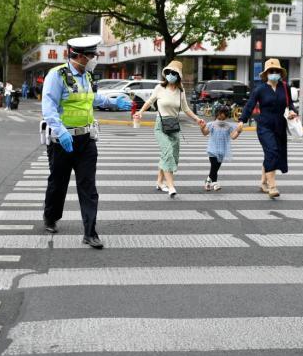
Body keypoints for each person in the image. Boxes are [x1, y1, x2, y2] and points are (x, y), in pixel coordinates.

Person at [42, 35, 132, 249]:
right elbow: (49, 107)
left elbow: (93, 98)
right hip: (61, 140)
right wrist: (61, 131)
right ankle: (50, 217)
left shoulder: (89, 77)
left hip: (86, 140)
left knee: (88, 186)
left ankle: (90, 232)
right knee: (58, 182)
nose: (95, 58)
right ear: (79, 56)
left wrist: (113, 102)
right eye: (92, 55)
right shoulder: (57, 76)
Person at [134, 60, 205, 198]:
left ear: (178, 76)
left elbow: (186, 109)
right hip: (160, 125)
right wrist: (140, 112)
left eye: (174, 73)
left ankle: (159, 182)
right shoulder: (159, 88)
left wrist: (197, 119)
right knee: (167, 152)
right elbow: (149, 102)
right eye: (168, 72)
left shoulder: (180, 91)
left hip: (174, 126)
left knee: (172, 155)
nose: (170, 75)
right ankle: (171, 186)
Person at [239, 58, 297, 198]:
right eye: (271, 71)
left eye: (277, 71)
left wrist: (292, 112)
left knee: (272, 153)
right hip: (264, 126)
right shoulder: (260, 89)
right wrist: (242, 120)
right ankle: (272, 186)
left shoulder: (285, 87)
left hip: (280, 125)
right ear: (266, 73)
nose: (274, 73)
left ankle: (263, 182)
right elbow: (250, 105)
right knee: (272, 151)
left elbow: (290, 104)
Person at [200, 105, 243, 191]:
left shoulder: (229, 126)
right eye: (222, 113)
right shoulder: (211, 124)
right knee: (214, 166)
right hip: (212, 149)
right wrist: (202, 127)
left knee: (215, 168)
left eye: (225, 113)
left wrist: (238, 131)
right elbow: (205, 133)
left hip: (222, 150)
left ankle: (208, 182)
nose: (223, 115)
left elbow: (233, 136)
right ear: (217, 113)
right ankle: (215, 183)